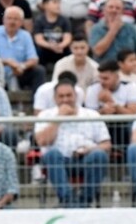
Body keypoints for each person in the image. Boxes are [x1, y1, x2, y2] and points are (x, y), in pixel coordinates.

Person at [34, 79, 111, 208]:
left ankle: (84, 201)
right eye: (61, 96)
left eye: (69, 95)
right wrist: (58, 118)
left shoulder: (92, 114)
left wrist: (91, 149)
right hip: (58, 161)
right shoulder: (45, 115)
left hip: (85, 158)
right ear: (54, 98)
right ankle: (68, 201)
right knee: (52, 154)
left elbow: (106, 144)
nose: (65, 100)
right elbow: (42, 141)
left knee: (99, 155)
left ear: (76, 96)